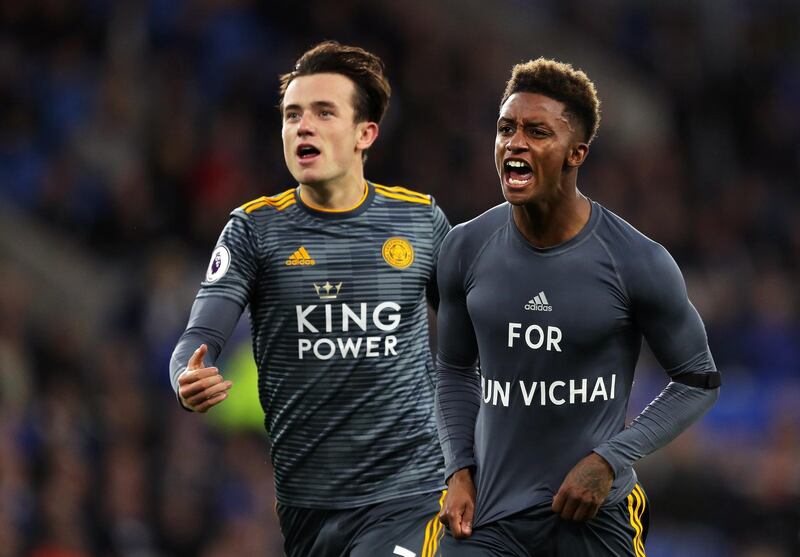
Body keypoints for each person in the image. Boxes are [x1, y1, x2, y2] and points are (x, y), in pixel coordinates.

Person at [169, 41, 451, 557]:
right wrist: (184, 377)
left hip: (410, 492)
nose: (303, 126)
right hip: (306, 506)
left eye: (324, 112)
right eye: (292, 114)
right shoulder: (254, 230)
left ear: (365, 133)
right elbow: (198, 338)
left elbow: (473, 338)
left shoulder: (420, 223)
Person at [434, 58, 721, 556]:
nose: (514, 143)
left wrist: (610, 459)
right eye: (506, 129)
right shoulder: (465, 248)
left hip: (595, 517)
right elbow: (454, 369)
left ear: (576, 153)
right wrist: (458, 470)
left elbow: (697, 379)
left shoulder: (637, 261)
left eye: (537, 131)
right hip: (490, 517)